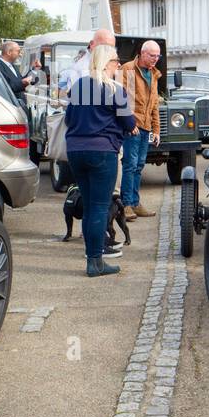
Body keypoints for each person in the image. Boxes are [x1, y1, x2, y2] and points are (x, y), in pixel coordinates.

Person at [65, 44, 135, 277]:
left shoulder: (79, 86)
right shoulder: (114, 89)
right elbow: (129, 123)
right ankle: (95, 262)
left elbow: (68, 118)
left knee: (88, 205)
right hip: (102, 151)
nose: (118, 65)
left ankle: (91, 256)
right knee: (98, 207)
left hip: (75, 150)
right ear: (106, 64)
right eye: (116, 61)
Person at [119, 40, 162, 220]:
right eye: (152, 55)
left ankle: (135, 203)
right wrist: (130, 124)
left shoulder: (153, 74)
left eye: (158, 56)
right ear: (142, 53)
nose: (155, 59)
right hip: (132, 127)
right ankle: (126, 204)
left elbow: (154, 104)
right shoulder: (128, 70)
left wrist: (157, 130)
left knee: (139, 166)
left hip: (145, 128)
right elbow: (121, 99)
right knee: (130, 165)